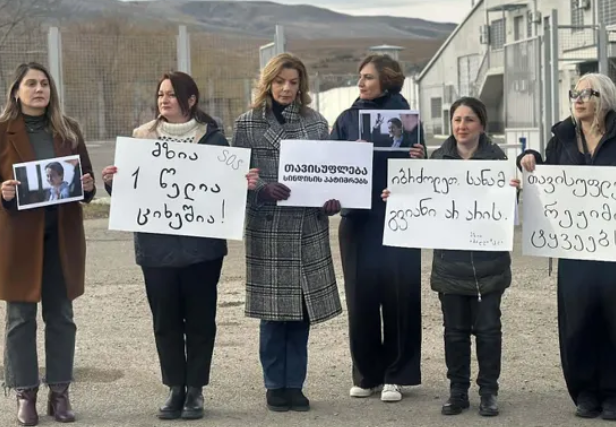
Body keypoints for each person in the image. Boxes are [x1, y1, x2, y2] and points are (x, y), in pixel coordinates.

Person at [102, 71, 258, 421]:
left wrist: (242, 184)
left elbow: (228, 192)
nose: (164, 100)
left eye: (172, 94)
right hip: (156, 251)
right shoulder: (142, 138)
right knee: (166, 320)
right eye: (160, 94)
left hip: (202, 251)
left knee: (201, 321)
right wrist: (113, 183)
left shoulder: (214, 141)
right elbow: (132, 194)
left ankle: (196, 389)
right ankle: (175, 387)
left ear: (191, 100)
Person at [517, 72, 616, 421]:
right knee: (578, 321)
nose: (578, 99)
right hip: (575, 249)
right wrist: (531, 159)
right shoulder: (562, 137)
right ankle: (584, 391)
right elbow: (547, 181)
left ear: (605, 98)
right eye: (574, 93)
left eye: (587, 93)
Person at [0, 62, 96, 426]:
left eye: (44, 83)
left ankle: (60, 393)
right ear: (16, 91)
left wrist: (87, 188)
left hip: (61, 237)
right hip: (17, 239)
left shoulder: (68, 130)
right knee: (20, 318)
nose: (39, 89)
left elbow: (83, 178)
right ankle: (25, 393)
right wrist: (1, 192)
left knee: (61, 316)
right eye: (31, 83)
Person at [382, 97, 518, 416]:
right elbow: (421, 198)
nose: (462, 126)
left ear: (482, 124)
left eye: (469, 120)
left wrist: (516, 190)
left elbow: (506, 212)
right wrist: (398, 196)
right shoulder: (437, 159)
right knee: (454, 332)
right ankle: (458, 391)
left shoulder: (498, 162)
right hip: (449, 265)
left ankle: (488, 392)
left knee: (488, 331)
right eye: (457, 119)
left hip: (489, 267)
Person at [231, 53, 343, 413]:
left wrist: (332, 200)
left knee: (301, 310)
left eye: (293, 82)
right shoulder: (247, 124)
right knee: (273, 312)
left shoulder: (316, 123)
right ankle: (274, 384)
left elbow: (329, 175)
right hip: (268, 226)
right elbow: (235, 174)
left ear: (302, 86)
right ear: (268, 83)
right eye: (280, 81)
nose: (286, 88)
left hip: (307, 227)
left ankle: (295, 383)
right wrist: (261, 187)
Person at [330, 53, 426, 402]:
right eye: (360, 77)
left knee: (400, 297)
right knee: (361, 298)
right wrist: (345, 156)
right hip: (357, 221)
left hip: (398, 219)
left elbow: (422, 173)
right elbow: (328, 165)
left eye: (368, 77)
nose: (361, 83)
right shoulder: (346, 120)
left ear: (386, 79)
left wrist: (419, 159)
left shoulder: (408, 119)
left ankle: (396, 374)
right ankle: (367, 373)